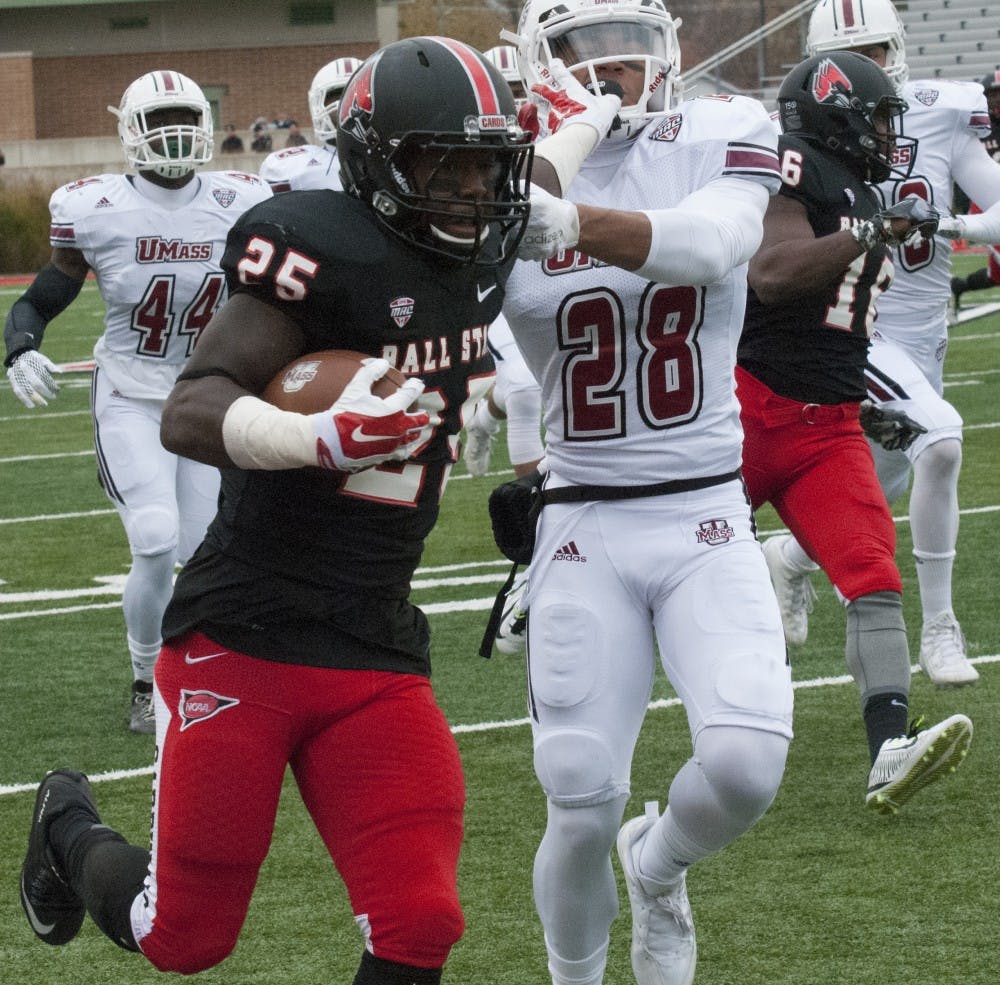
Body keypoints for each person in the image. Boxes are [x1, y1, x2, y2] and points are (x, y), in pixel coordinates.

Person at [19, 36, 533, 985]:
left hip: (375, 640)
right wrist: (317, 437)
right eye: (443, 164)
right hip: (245, 634)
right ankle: (65, 825)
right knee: (184, 938)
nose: (470, 190)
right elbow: (190, 404)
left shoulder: (488, 243)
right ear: (379, 164)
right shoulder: (313, 251)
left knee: (421, 918)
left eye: (486, 164)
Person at [502, 2, 794, 982]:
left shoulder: (721, 133)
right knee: (578, 795)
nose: (611, 68)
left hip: (703, 507)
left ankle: (659, 863)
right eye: (584, 50)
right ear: (540, 64)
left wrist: (574, 220)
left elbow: (710, 245)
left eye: (628, 44)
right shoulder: (503, 169)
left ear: (667, 51)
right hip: (583, 514)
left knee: (748, 765)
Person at [738, 50, 973, 816]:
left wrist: (860, 403)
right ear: (835, 112)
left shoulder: (861, 189)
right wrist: (869, 227)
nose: (885, 132)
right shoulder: (792, 164)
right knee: (662, 563)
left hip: (828, 425)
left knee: (873, 576)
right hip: (744, 410)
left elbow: (839, 326)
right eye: (876, 116)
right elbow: (771, 274)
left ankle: (888, 750)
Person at [3, 70, 271, 733]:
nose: (174, 132)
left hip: (208, 391)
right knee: (153, 538)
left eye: (185, 115)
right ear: (131, 131)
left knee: (206, 546)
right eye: (158, 120)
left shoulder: (245, 197)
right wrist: (21, 344)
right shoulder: (94, 206)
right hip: (130, 392)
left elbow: (275, 295)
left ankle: (202, 670)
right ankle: (146, 680)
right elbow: (45, 294)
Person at [764, 0, 1000, 687]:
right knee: (944, 440)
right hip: (858, 333)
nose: (865, 75)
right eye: (850, 58)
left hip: (924, 339)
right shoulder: (800, 147)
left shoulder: (936, 117)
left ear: (898, 50)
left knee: (888, 479)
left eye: (876, 54)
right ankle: (940, 631)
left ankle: (791, 559)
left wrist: (955, 223)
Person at [259, 56, 363, 193]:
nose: (348, 105)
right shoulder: (291, 169)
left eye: (358, 95)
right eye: (337, 96)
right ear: (317, 105)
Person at [951, 71, 1000, 309]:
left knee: (996, 276)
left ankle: (959, 286)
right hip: (988, 205)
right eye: (993, 95)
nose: (998, 100)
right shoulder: (976, 130)